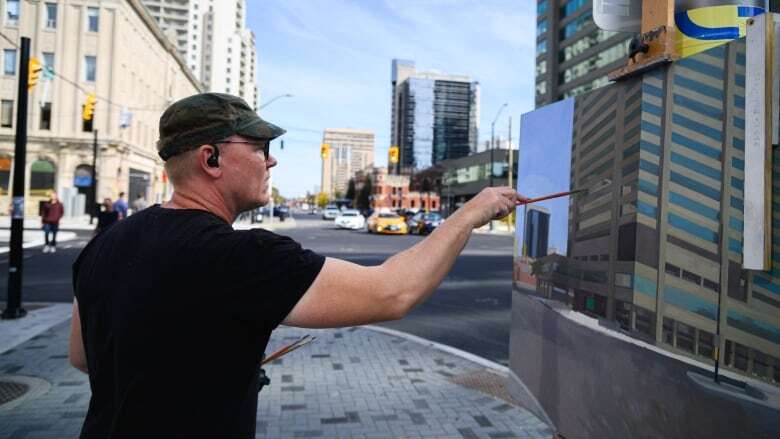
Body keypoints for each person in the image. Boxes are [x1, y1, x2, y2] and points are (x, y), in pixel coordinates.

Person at [68, 93, 525, 438]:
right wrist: (471, 212)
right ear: (211, 158)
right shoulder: (238, 257)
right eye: (259, 146)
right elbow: (393, 291)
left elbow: (84, 356)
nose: (271, 159)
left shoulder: (103, 244)